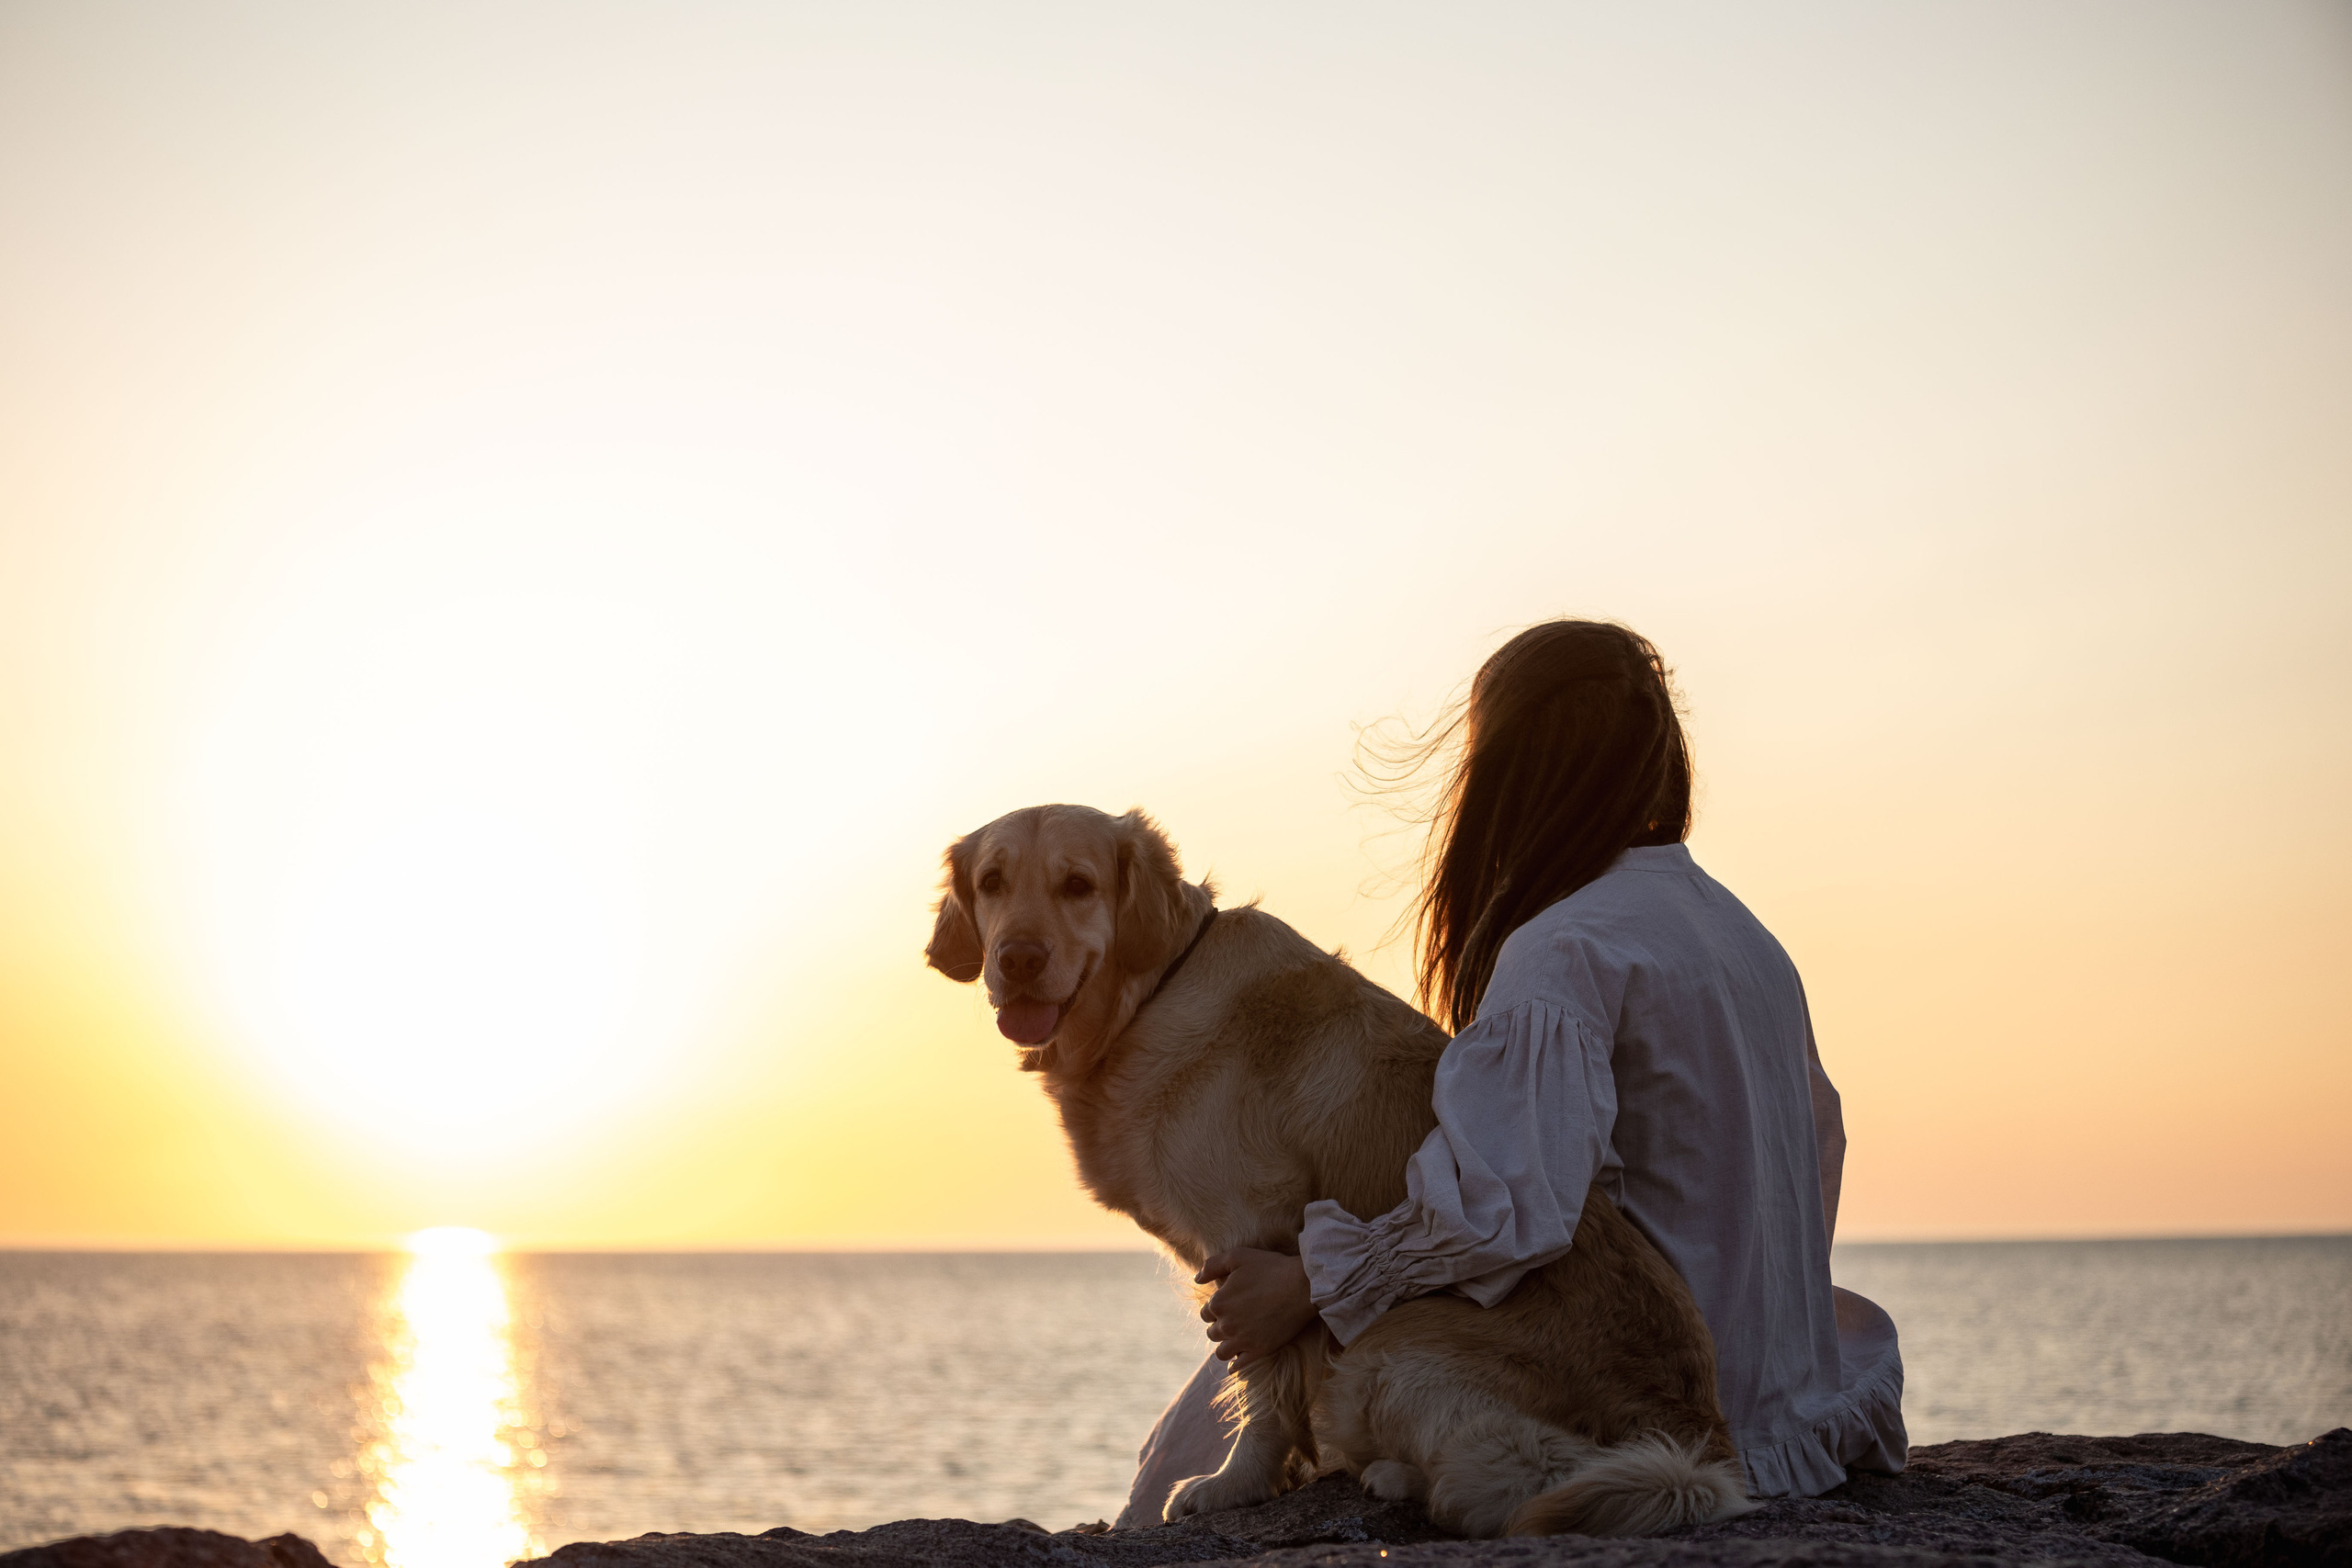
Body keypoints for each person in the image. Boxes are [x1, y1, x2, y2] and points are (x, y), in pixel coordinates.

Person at [1115, 619, 1907, 1527]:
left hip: (1625, 1399)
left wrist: (1306, 1283)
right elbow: (1817, 1154)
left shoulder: (1564, 951)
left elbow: (1509, 1213)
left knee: (1193, 1442)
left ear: (1508, 773)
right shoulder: (1742, 936)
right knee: (1225, 1410)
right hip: (1779, 1408)